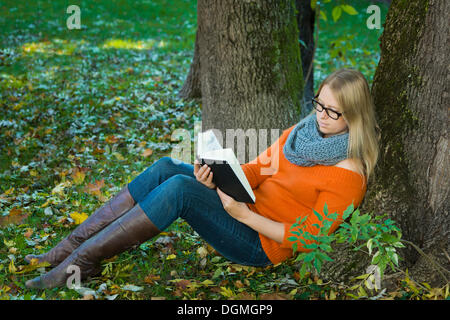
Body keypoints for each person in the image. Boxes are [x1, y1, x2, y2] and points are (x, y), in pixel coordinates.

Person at [25, 68, 379, 289]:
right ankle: (66, 250)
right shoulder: (303, 132)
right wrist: (219, 177)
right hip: (244, 205)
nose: (321, 116)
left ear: (355, 116)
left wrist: (245, 216)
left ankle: (81, 263)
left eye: (333, 112)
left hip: (261, 242)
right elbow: (257, 170)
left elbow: (309, 237)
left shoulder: (349, 174)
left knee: (180, 189)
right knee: (167, 167)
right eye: (319, 104)